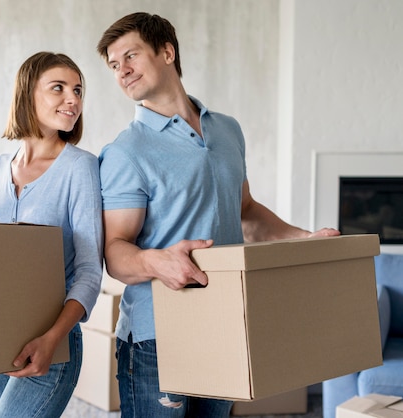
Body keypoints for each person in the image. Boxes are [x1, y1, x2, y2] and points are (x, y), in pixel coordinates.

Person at [95, 12, 339, 418]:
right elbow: (115, 251)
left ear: (167, 52)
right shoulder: (126, 151)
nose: (123, 72)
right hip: (158, 337)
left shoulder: (228, 130)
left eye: (131, 56)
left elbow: (245, 210)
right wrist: (160, 262)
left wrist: (304, 238)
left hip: (225, 321)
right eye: (114, 66)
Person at [0, 52, 103, 417]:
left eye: (78, 90)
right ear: (27, 94)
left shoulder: (80, 168)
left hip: (52, 342)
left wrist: (53, 339)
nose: (73, 99)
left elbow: (88, 272)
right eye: (59, 88)